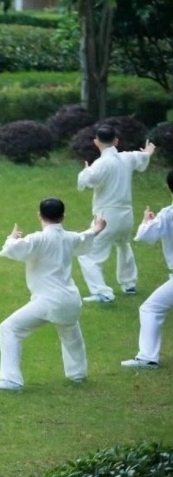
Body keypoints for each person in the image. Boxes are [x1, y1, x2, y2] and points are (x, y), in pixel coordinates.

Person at [0, 199, 105, 392]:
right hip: (71, 299)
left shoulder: (38, 239)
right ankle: (77, 374)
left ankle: (11, 380)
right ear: (63, 217)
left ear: (39, 216)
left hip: (49, 300)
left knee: (9, 328)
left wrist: (12, 238)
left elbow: (10, 250)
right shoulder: (69, 237)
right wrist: (97, 228)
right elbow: (85, 237)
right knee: (70, 333)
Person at [75, 126, 156, 302]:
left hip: (106, 215)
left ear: (96, 142)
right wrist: (148, 152)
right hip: (126, 215)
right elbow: (142, 157)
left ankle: (101, 292)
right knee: (123, 244)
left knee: (87, 254)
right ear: (116, 141)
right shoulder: (126, 157)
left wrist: (86, 170)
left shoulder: (102, 163)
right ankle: (129, 283)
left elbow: (85, 181)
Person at [121, 169, 173, 370]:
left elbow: (145, 235)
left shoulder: (168, 214)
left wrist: (146, 222)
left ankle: (147, 357)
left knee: (151, 308)